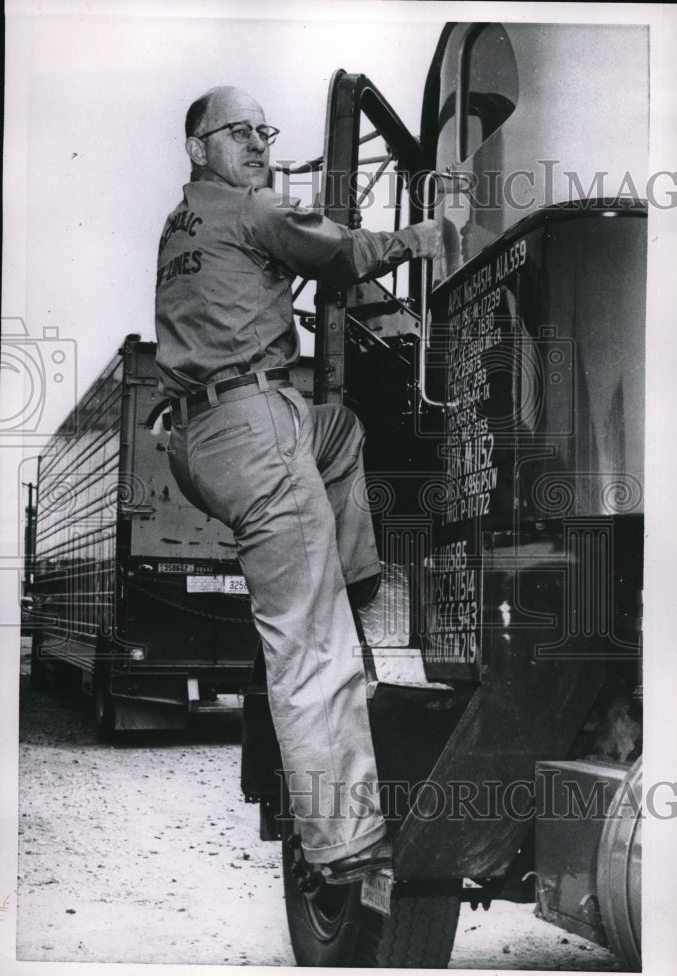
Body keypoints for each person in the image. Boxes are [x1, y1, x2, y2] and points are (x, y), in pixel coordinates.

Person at [155, 85, 442, 884]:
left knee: (340, 431)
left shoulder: (178, 225)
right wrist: (421, 234)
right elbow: (344, 255)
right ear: (197, 146)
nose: (255, 143)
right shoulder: (252, 209)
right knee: (309, 648)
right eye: (236, 132)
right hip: (253, 428)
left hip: (202, 438)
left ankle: (347, 583)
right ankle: (345, 843)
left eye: (262, 131)